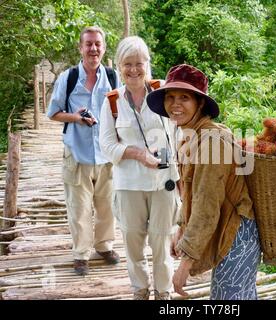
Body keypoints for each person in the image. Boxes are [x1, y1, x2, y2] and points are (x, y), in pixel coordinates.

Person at [146, 64, 261, 300]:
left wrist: (185, 265)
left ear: (200, 103)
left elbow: (206, 206)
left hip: (236, 231)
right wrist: (180, 228)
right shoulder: (189, 136)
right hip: (222, 229)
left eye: (184, 97)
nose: (175, 104)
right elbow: (189, 192)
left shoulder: (213, 140)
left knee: (229, 299)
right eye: (170, 97)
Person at [99, 36, 180, 300]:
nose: (133, 69)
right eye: (127, 64)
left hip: (162, 183)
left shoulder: (164, 92)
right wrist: (138, 154)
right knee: (133, 246)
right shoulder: (112, 101)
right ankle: (140, 291)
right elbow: (107, 146)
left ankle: (163, 293)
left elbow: (182, 128)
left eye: (139, 63)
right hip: (128, 185)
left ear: (148, 63)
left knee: (161, 243)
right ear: (119, 66)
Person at [47, 26, 121, 276]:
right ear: (80, 48)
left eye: (97, 44)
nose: (93, 48)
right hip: (76, 153)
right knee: (78, 208)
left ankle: (104, 246)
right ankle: (81, 254)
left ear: (103, 48)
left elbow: (121, 110)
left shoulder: (112, 77)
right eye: (88, 44)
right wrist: (76, 118)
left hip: (106, 155)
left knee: (107, 206)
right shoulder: (67, 78)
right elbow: (53, 113)